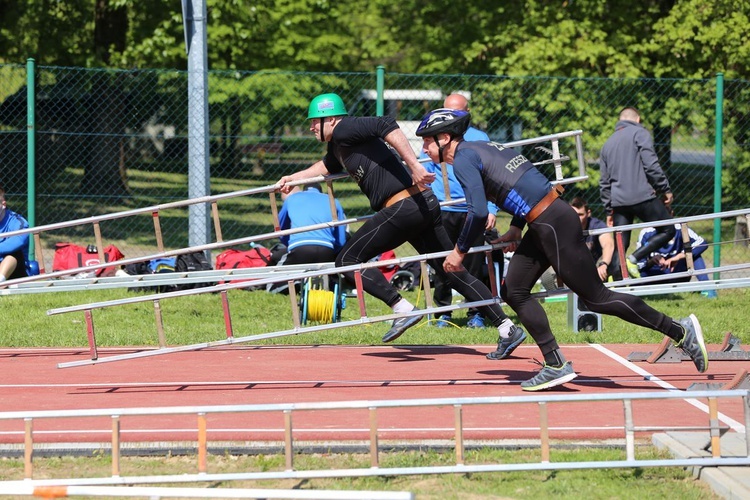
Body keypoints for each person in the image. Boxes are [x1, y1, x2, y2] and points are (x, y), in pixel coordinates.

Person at [415, 108, 708, 391]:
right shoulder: (485, 148)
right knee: (514, 289)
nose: (425, 147)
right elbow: (529, 180)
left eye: (428, 140)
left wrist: (459, 252)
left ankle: (679, 331)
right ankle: (555, 363)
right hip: (546, 220)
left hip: (552, 222)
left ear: (445, 139)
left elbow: (477, 212)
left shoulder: (464, 158)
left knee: (597, 298)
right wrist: (517, 226)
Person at [276, 93, 526, 351]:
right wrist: (294, 178)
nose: (311, 127)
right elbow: (327, 166)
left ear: (330, 119)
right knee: (450, 269)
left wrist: (415, 166)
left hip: (404, 206)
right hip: (421, 205)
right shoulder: (339, 144)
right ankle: (507, 328)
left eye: (314, 121)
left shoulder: (345, 128)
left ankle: (402, 307)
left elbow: (386, 124)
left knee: (347, 260)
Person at [422, 93, 499, 329]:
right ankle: (443, 311)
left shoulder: (478, 138)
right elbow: (423, 169)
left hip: (472, 208)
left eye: (458, 112)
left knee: (473, 262)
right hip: (443, 208)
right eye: (446, 110)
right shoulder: (435, 136)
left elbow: (491, 173)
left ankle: (475, 312)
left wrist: (491, 208)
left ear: (467, 114)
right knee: (442, 260)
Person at [599, 107, 675, 279]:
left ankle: (616, 285)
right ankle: (634, 259)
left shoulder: (607, 144)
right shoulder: (640, 134)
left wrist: (608, 209)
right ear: (638, 119)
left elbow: (604, 182)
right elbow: (651, 165)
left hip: (618, 202)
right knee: (668, 229)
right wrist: (665, 189)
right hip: (642, 197)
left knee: (620, 245)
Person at [540, 196, 620, 291]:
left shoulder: (596, 225)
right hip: (571, 266)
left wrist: (604, 264)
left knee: (609, 262)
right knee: (547, 276)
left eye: (580, 214)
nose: (576, 218)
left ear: (588, 213)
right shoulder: (562, 226)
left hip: (593, 266)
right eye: (573, 214)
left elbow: (608, 244)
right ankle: (561, 293)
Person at [635, 217, 717, 297]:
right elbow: (639, 265)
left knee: (694, 254)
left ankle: (707, 288)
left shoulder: (680, 227)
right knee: (637, 271)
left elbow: (702, 243)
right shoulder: (646, 232)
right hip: (654, 276)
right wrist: (652, 261)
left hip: (677, 273)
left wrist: (678, 257)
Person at [277, 183, 348, 266]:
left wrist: (289, 244)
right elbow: (341, 239)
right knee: (329, 274)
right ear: (320, 192)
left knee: (279, 271)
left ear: (304, 190)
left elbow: (280, 228)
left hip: (299, 248)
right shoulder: (333, 201)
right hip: (326, 249)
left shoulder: (291, 198)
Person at [0, 185, 31, 282]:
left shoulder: (18, 221)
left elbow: (19, 240)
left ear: (3, 204)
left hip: (16, 271)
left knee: (13, 254)